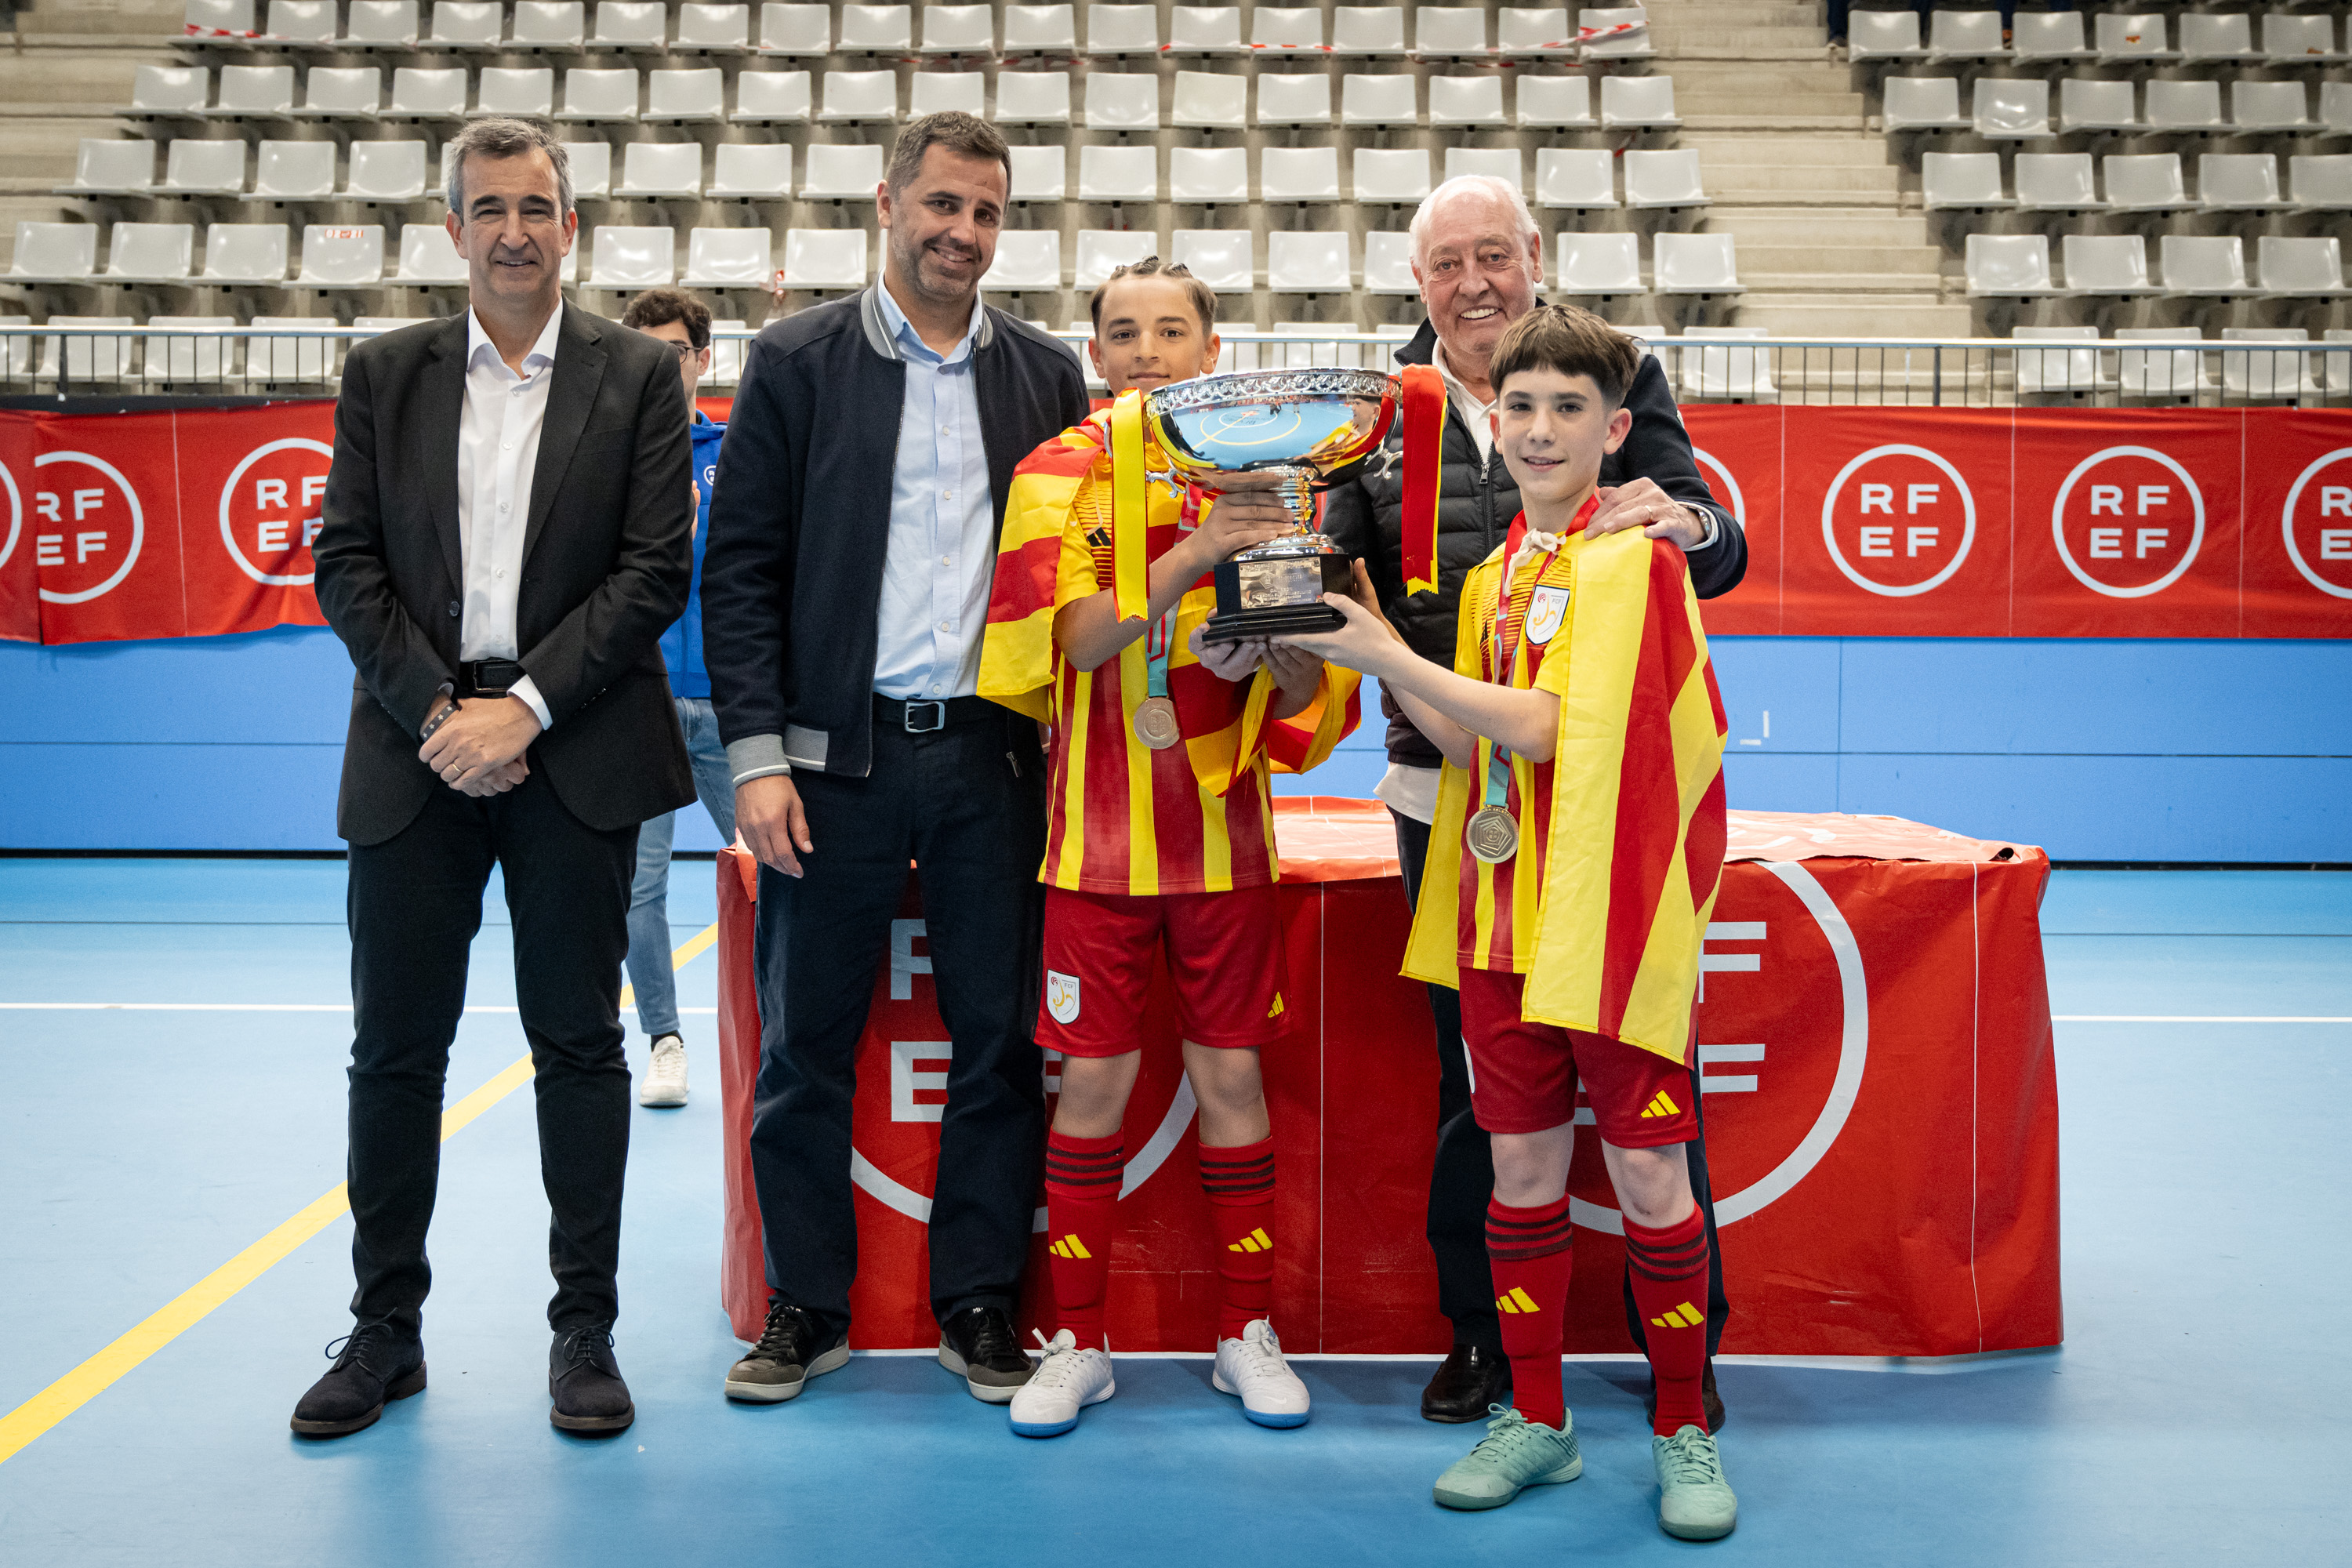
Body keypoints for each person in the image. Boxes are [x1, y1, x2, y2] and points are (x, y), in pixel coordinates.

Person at [1279, 305, 1736, 1539]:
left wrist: (1388, 655)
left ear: (1616, 431)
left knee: (1649, 1175)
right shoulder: (1492, 579)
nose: (1539, 430)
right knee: (1521, 1169)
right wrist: (1365, 639)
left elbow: (1542, 729)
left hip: (1612, 920)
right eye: (1521, 406)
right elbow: (1471, 738)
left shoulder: (1634, 562)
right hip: (1500, 917)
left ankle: (1683, 1430)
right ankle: (1538, 1418)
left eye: (1568, 409)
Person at [299, 117, 695, 1439]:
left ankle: (585, 1333)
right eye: (490, 209)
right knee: (393, 1054)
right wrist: (442, 714)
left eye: (536, 208)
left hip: (574, 746)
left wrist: (519, 711)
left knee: (578, 1046)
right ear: (453, 228)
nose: (514, 232)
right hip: (416, 748)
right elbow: (346, 563)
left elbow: (652, 571)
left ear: (569, 227)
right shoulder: (384, 372)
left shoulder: (638, 373)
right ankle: (384, 1331)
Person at [699, 111, 1091, 1407]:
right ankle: (804, 1307)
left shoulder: (1045, 375)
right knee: (804, 1048)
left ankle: (978, 1303)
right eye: (942, 205)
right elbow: (740, 571)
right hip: (832, 764)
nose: (961, 233)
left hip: (991, 760)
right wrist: (758, 758)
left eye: (985, 212)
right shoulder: (795, 360)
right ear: (887, 203)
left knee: (998, 1043)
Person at [976, 259, 1361, 1437]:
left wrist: (1276, 656)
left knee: (1230, 1080)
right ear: (1094, 353)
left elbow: (1302, 673)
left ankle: (1247, 1332)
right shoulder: (1059, 472)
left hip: (1225, 846)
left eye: (1172, 331)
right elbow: (1080, 642)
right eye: (1125, 331)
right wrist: (1194, 557)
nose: (1147, 350)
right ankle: (1078, 1342)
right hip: (1093, 851)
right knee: (1092, 1085)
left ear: (1211, 352)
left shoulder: (1271, 476)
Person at [614, 286, 734, 1109]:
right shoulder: (608, 458)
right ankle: (665, 1042)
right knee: (638, 889)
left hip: (733, 709)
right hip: (642, 707)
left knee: (777, 873)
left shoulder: (739, 454)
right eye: (648, 355)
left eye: (677, 353)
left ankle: (782, 1032)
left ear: (702, 359)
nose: (664, 368)